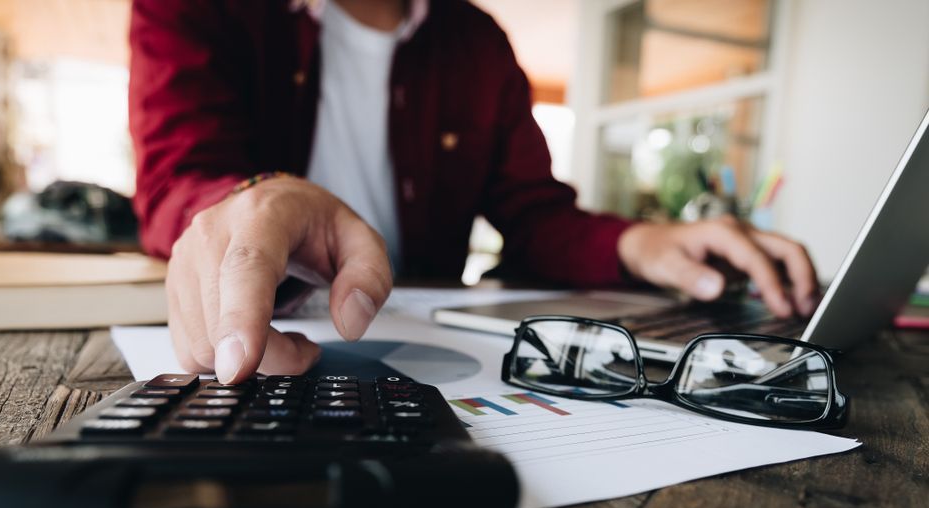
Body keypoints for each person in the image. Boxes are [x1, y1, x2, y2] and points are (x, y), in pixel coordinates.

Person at [129, 0, 819, 385]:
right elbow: (175, 176)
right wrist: (254, 199)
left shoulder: (479, 43)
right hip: (264, 338)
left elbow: (534, 213)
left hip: (428, 341)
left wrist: (640, 240)